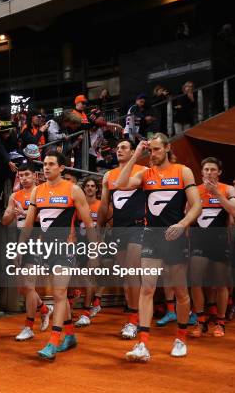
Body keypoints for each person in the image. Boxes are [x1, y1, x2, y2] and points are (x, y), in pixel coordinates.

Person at [117, 133, 201, 362]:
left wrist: (183, 224)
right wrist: (135, 156)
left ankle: (181, 338)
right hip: (151, 237)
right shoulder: (145, 174)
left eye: (156, 149)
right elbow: (121, 184)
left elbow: (197, 205)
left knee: (181, 291)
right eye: (150, 150)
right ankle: (143, 343)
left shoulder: (182, 171)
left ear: (167, 148)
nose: (152, 154)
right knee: (147, 289)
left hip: (175, 237)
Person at [23, 151, 97, 361]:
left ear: (61, 168)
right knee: (60, 295)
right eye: (44, 164)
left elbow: (89, 224)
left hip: (66, 248)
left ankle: (53, 341)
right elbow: (29, 224)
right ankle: (70, 336)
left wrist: (93, 253)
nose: (46, 167)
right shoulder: (37, 191)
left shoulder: (73, 190)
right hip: (46, 249)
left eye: (51, 164)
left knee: (59, 293)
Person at [97, 139, 146, 339]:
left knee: (133, 272)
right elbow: (103, 206)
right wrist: (98, 232)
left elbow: (132, 185)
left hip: (138, 226)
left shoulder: (142, 170)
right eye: (117, 148)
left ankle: (135, 320)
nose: (119, 150)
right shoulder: (108, 175)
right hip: (118, 229)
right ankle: (134, 316)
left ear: (134, 151)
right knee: (126, 276)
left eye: (124, 147)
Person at [189, 157, 235, 338]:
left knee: (220, 283)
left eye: (213, 169)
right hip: (199, 240)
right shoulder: (195, 190)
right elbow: (189, 215)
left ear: (219, 172)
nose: (209, 172)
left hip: (220, 241)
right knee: (195, 280)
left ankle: (220, 321)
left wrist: (217, 194)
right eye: (206, 169)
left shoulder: (228, 189)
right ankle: (201, 321)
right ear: (201, 172)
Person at [2, 163, 53, 341]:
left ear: (35, 176)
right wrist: (13, 213)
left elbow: (49, 218)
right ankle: (44, 309)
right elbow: (5, 220)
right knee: (22, 287)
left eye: (26, 175)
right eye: (21, 175)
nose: (23, 178)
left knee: (29, 286)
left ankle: (29, 326)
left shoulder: (41, 192)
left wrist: (27, 213)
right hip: (19, 241)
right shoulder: (15, 195)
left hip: (37, 241)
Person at [74, 178, 103, 327]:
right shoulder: (78, 205)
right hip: (79, 244)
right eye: (88, 186)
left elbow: (106, 226)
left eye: (93, 186)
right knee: (80, 277)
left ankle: (87, 310)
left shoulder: (101, 205)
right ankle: (89, 303)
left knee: (91, 276)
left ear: (97, 189)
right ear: (84, 188)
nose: (90, 188)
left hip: (95, 244)